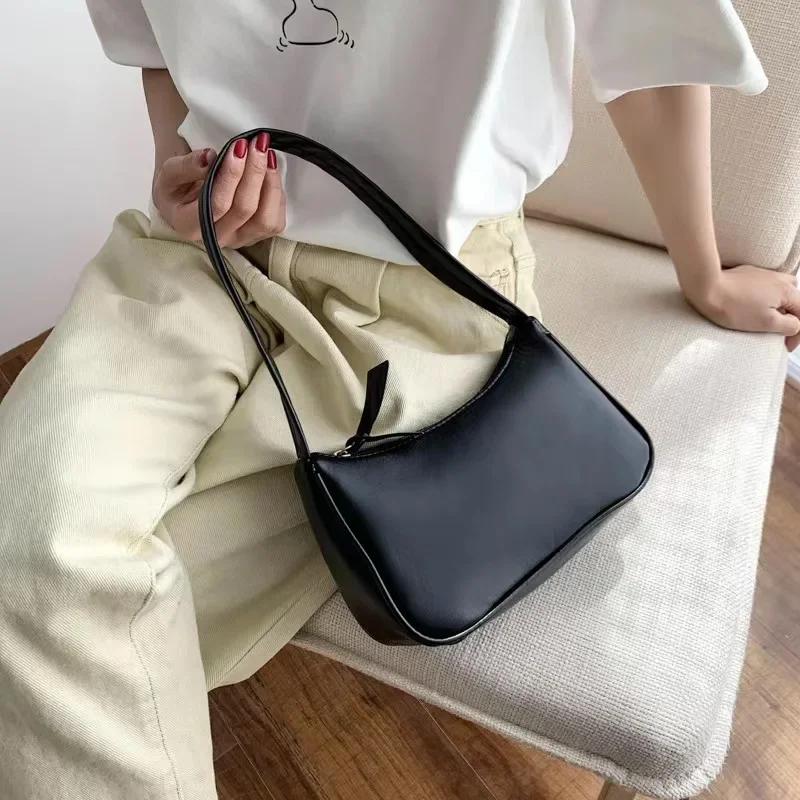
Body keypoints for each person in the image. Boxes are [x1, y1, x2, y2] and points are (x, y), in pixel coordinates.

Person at [1, 2, 798, 798]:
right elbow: (159, 44)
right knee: (33, 578)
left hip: (425, 296)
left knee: (65, 619)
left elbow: (653, 51)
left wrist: (703, 273)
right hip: (198, 257)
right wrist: (183, 175)